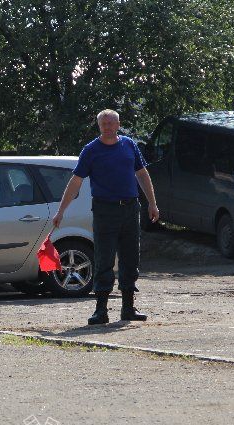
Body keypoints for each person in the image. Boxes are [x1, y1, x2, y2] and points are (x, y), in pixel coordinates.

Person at [52, 109, 159, 325]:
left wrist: (152, 203)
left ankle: (128, 308)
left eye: (111, 123)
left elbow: (142, 174)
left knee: (130, 258)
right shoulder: (91, 150)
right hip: (104, 210)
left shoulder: (129, 145)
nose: (108, 127)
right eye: (104, 124)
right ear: (99, 126)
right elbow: (76, 181)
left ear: (118, 125)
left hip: (130, 208)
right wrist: (61, 210)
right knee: (104, 259)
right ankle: (101, 310)